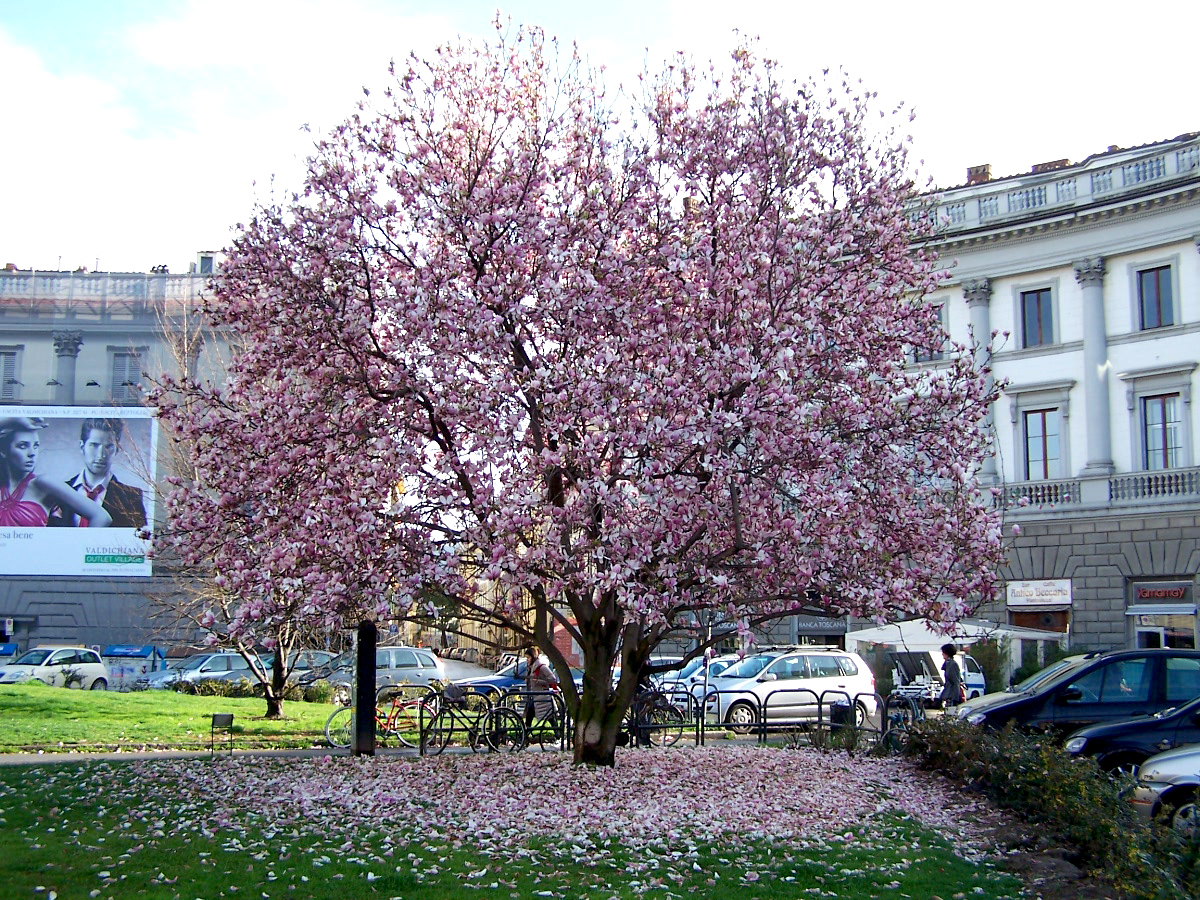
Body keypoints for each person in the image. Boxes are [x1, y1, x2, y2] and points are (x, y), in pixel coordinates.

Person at [0, 417, 111, 528]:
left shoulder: (42, 483)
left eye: (35, 446)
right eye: (23, 446)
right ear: (3, 450)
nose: (32, 453)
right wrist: (15, 419)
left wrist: (83, 544)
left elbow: (101, 516)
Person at [47, 418, 146, 528]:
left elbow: (138, 540)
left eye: (108, 446)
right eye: (94, 445)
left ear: (117, 449)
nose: (101, 455)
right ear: (82, 446)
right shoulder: (58, 492)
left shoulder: (131, 497)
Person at [522, 646, 560, 729]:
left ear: (533, 657)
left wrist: (539, 681)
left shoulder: (541, 667)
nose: (527, 659)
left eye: (528, 657)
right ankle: (526, 732)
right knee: (530, 714)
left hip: (542, 696)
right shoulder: (531, 667)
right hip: (536, 696)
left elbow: (552, 679)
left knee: (549, 717)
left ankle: (558, 733)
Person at [939, 643, 963, 708]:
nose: (942, 654)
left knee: (951, 712)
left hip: (951, 695)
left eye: (943, 652)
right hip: (949, 694)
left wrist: (956, 698)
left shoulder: (952, 664)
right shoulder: (948, 663)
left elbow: (955, 681)